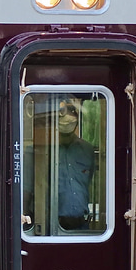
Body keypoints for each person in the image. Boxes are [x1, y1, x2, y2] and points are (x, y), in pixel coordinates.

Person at [24, 99, 97, 231]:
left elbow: (89, 184)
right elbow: (26, 191)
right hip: (48, 227)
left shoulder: (87, 150)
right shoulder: (34, 152)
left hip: (82, 226)